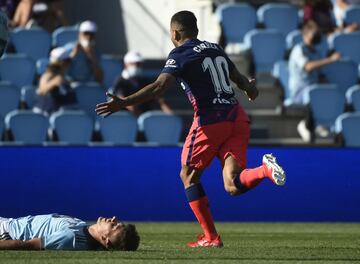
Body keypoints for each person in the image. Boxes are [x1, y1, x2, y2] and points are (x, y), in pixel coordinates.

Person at [96, 11, 286, 248]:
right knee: (232, 185)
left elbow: (158, 87)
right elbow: (237, 77)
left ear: (174, 32)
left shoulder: (180, 54)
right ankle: (265, 170)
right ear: (195, 29)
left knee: (188, 175)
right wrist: (249, 88)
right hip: (236, 117)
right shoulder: (214, 48)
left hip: (210, 120)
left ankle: (211, 237)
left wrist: (123, 103)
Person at [289, 20, 341, 142]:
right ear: (305, 35)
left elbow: (321, 75)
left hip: (314, 89)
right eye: (313, 33)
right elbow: (308, 67)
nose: (316, 36)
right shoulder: (299, 50)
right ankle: (307, 125)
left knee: (328, 93)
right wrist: (331, 60)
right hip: (300, 92)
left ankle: (322, 124)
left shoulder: (317, 53)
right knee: (313, 93)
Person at [0, 214, 140, 251]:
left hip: (6, 232)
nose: (113, 219)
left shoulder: (71, 238)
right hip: (8, 222)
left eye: (114, 226)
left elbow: (28, 245)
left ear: (106, 239)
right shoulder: (84, 229)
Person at [113, 51, 173, 115]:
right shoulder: (120, 81)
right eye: (134, 64)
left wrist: (170, 115)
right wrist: (138, 115)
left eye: (139, 64)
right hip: (127, 117)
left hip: (144, 115)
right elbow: (122, 100)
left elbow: (159, 99)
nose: (137, 66)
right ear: (126, 64)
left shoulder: (144, 80)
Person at [34, 46, 77, 115]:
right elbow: (41, 91)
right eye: (65, 62)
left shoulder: (66, 78)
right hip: (46, 116)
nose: (68, 64)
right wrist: (53, 83)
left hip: (64, 116)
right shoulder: (47, 75)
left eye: (67, 62)